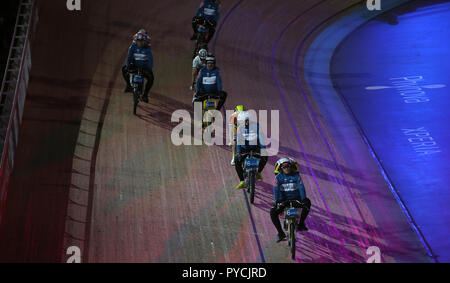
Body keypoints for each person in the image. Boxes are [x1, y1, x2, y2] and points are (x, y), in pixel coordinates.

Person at [270, 158, 311, 242]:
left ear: (291, 167)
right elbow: (276, 190)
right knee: (272, 212)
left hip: (296, 200)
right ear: (281, 168)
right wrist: (276, 202)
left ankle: (301, 224)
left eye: (288, 166)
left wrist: (303, 199)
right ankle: (281, 233)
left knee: (308, 203)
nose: (287, 168)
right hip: (283, 201)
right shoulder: (278, 178)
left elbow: (301, 187)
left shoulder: (296, 176)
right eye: (284, 167)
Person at [234, 111, 268, 189]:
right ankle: (242, 181)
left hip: (255, 147)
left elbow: (261, 138)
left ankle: (259, 172)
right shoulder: (239, 128)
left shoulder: (256, 126)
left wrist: (263, 149)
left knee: (265, 156)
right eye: (243, 121)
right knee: (236, 160)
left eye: (247, 120)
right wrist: (238, 152)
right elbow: (239, 141)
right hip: (244, 149)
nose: (245, 123)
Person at [122, 30, 154, 103]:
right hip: (134, 65)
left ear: (145, 41)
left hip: (144, 67)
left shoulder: (148, 47)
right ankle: (129, 85)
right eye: (138, 41)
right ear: (136, 41)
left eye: (142, 41)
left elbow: (150, 59)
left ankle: (145, 95)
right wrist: (128, 65)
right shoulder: (133, 46)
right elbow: (129, 56)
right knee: (124, 69)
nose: (140, 43)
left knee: (151, 78)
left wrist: (149, 68)